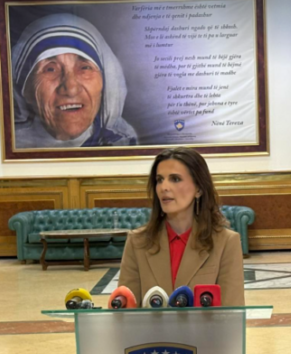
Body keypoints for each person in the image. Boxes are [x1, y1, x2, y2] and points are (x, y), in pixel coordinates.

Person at [119, 147, 245, 307]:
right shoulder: (137, 242)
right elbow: (125, 313)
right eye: (159, 180)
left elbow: (232, 312)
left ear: (199, 188)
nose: (164, 187)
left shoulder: (226, 242)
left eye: (175, 179)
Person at [12, 13, 138, 148]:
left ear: (105, 84)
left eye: (84, 68)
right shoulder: (5, 145)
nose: (71, 89)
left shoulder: (122, 144)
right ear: (26, 89)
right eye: (50, 69)